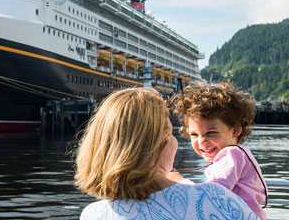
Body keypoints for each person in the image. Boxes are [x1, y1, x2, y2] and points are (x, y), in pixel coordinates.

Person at [75, 88, 258, 220]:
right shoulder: (215, 200)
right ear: (160, 143)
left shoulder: (93, 214)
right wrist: (182, 183)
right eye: (171, 133)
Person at [170, 83, 267, 220]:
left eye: (210, 133)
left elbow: (211, 195)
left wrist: (179, 182)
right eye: (194, 135)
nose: (202, 141)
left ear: (235, 131)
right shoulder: (240, 154)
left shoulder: (232, 155)